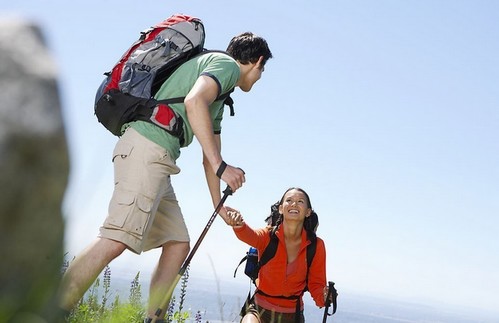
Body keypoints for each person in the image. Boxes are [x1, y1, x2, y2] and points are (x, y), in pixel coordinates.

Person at [57, 32, 273, 322]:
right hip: (147, 150)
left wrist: (218, 205)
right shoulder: (225, 65)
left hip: (159, 158)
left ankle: (154, 319)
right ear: (257, 62)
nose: (259, 78)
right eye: (263, 71)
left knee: (177, 242)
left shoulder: (221, 96)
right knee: (116, 237)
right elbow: (195, 102)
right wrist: (222, 165)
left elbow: (210, 158)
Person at [226, 187, 334, 323]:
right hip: (259, 310)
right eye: (289, 200)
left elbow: (316, 284)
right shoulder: (268, 236)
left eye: (300, 201)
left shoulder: (315, 245)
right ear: (281, 208)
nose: (294, 204)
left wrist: (324, 297)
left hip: (292, 316)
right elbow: (251, 236)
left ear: (308, 212)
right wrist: (238, 225)